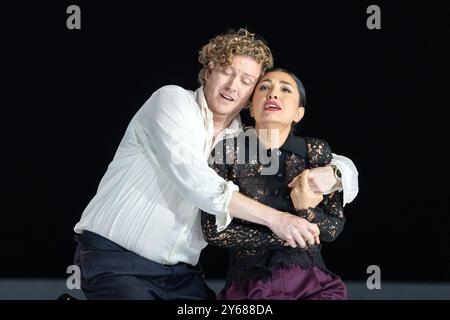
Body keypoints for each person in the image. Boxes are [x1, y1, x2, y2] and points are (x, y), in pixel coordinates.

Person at [73, 28, 358, 299]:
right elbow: (193, 177)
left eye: (247, 81)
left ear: (251, 96)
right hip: (116, 260)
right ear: (208, 72)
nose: (233, 86)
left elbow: (327, 160)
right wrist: (276, 219)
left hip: (182, 277)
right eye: (226, 72)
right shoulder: (172, 101)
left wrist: (334, 172)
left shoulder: (242, 143)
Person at [201, 68, 350, 300]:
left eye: (285, 89)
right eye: (264, 88)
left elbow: (334, 228)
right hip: (248, 286)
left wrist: (305, 210)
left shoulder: (316, 151)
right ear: (251, 107)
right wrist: (283, 230)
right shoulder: (226, 151)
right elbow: (213, 230)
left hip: (313, 284)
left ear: (298, 113)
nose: (273, 94)